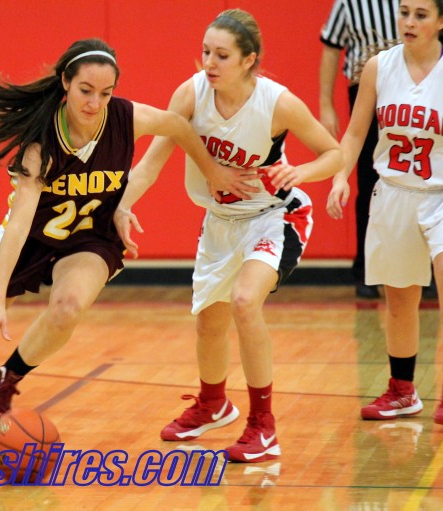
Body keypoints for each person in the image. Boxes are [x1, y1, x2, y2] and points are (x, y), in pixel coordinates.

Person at [0, 37, 255, 461]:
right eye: (86, 91)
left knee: (68, 307)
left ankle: (7, 380)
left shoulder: (125, 118)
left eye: (106, 93)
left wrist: (207, 172)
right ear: (66, 82)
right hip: (29, 237)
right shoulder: (41, 142)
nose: (95, 103)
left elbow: (177, 126)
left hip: (90, 235)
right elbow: (19, 223)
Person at [113, 9, 343, 463]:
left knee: (243, 301)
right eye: (205, 52)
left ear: (247, 59)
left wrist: (300, 171)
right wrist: (122, 205)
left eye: (221, 55)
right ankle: (213, 403)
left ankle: (263, 425)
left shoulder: (277, 103)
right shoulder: (190, 94)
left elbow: (333, 154)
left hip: (274, 216)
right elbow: (151, 163)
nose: (209, 63)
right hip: (220, 221)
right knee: (209, 323)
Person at [326, 0, 443, 425]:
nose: (409, 22)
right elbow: (356, 132)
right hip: (396, 193)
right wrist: (340, 176)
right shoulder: (378, 67)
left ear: (441, 21)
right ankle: (402, 391)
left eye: (420, 14)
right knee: (399, 298)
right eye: (404, 13)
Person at [320, 0, 399, 299]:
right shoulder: (349, 3)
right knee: (369, 181)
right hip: (366, 87)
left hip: (413, 85)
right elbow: (330, 47)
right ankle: (366, 268)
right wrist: (326, 105)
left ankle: (427, 267)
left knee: (418, 177)